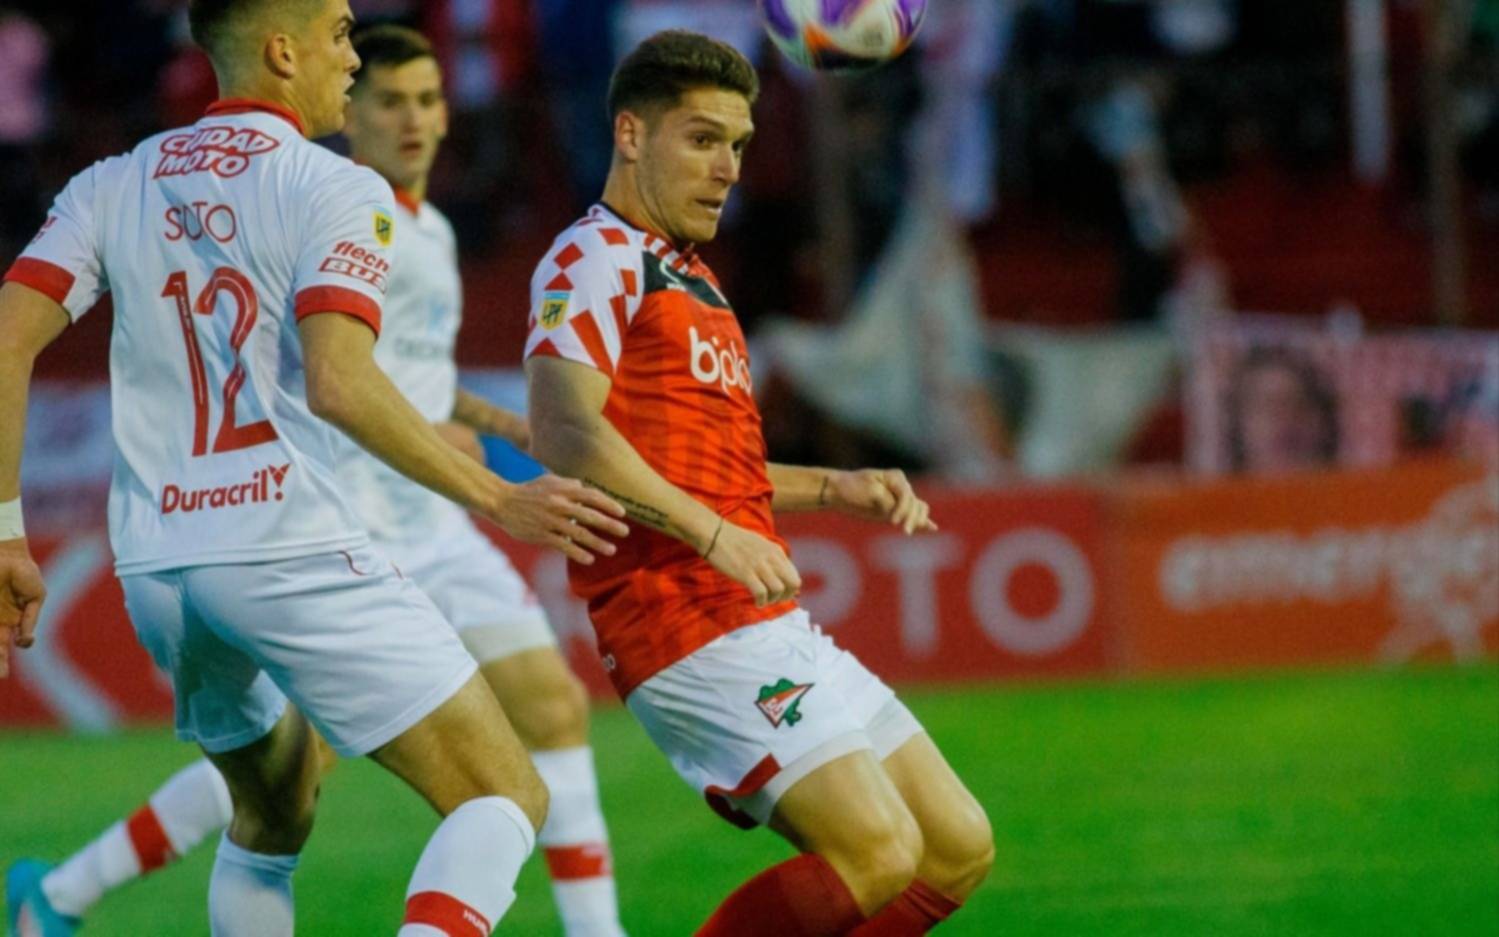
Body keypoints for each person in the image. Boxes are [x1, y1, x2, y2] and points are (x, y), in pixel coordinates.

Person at [0, 2, 629, 936]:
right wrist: (501, 495)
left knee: (270, 817)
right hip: (288, 544)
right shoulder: (333, 186)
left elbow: (8, 339)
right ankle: (66, 892)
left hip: (161, 566)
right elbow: (341, 384)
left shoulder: (111, 180)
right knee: (502, 796)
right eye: (338, 32)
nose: (351, 54)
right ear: (282, 50)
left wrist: (6, 534)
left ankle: (60, 897)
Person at [523, 30, 994, 936]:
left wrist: (837, 487)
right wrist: (710, 532)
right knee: (876, 850)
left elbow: (714, 471)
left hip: (756, 613)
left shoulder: (693, 280)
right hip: (677, 613)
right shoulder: (594, 256)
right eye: (702, 139)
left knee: (953, 845)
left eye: (737, 144)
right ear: (630, 134)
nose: (727, 168)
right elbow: (562, 429)